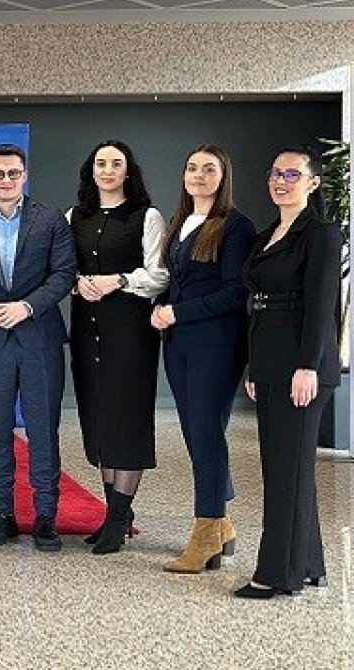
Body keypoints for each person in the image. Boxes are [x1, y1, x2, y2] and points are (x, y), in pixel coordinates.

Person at [0, 144, 76, 552]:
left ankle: (45, 517)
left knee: (43, 430)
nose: (6, 180)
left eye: (13, 173)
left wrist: (26, 307)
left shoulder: (51, 220)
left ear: (24, 175)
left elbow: (63, 274)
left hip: (39, 337)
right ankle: (1, 514)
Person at [235, 146, 340, 599]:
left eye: (292, 174)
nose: (281, 181)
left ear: (312, 183)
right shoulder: (269, 234)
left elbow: (320, 304)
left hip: (302, 368)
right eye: (275, 173)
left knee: (285, 473)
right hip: (271, 362)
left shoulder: (321, 234)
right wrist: (256, 367)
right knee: (289, 468)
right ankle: (309, 563)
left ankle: (276, 574)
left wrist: (307, 366)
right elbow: (260, 304)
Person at [152, 145, 257, 574]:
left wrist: (177, 312)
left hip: (215, 345)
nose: (199, 175)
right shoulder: (180, 222)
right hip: (179, 344)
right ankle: (222, 523)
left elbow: (236, 292)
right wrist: (160, 306)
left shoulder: (236, 226)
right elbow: (175, 281)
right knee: (199, 435)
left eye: (209, 169)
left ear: (223, 176)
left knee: (206, 434)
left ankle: (205, 531)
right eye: (192, 168)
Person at [67, 139, 168, 554]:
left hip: (130, 333)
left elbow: (159, 275)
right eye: (101, 163)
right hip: (86, 330)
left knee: (125, 421)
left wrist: (120, 280)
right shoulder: (74, 216)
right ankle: (116, 515)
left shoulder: (147, 216)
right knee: (99, 420)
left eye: (116, 163)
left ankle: (116, 518)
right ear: (91, 171)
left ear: (128, 171)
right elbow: (63, 268)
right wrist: (77, 282)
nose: (107, 170)